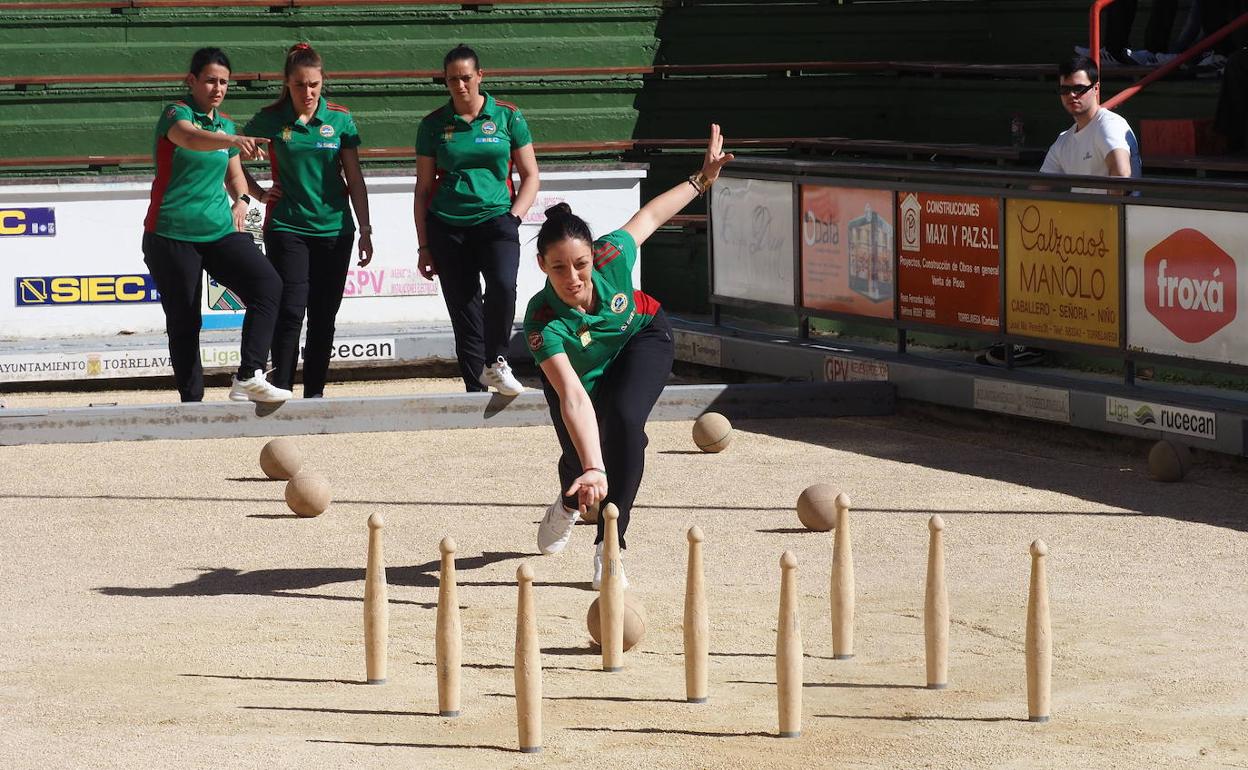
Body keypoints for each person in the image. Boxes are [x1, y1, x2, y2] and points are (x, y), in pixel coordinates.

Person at [525, 125, 734, 587]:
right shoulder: (541, 320)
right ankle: (566, 503)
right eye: (559, 268)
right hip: (578, 375)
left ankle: (610, 543)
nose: (573, 276)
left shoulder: (610, 256)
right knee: (581, 456)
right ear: (542, 265)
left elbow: (652, 215)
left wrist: (701, 179)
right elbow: (574, 398)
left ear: (592, 256)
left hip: (642, 339)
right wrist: (593, 467)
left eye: (579, 264)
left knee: (623, 425)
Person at [141, 47, 290, 404]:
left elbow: (236, 176)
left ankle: (248, 375)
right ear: (192, 81)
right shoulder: (176, 114)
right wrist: (232, 140)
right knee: (185, 321)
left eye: (224, 82)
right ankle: (192, 402)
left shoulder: (225, 125)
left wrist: (244, 199)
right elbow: (190, 138)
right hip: (170, 234)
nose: (218, 88)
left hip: (219, 230)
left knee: (268, 284)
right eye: (210, 80)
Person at [984, 56, 1141, 368]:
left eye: (1080, 88)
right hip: (1085, 240)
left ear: (1096, 89)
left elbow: (1121, 176)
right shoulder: (1064, 141)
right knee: (1027, 257)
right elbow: (1036, 192)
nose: (1072, 95)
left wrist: (1104, 223)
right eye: (1065, 90)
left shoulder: (1110, 125)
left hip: (1120, 234)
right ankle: (1029, 341)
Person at [242, 43, 373, 398]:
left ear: (322, 82)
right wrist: (256, 191)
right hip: (287, 227)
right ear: (287, 84)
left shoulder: (340, 118)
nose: (308, 92)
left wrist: (366, 229)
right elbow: (231, 152)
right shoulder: (271, 117)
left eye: (314, 84)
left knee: (323, 316)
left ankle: (314, 393)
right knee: (290, 309)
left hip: (336, 229)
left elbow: (355, 178)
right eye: (300, 85)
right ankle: (281, 387)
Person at [414, 44, 540, 396]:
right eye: (452, 79)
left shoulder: (508, 117)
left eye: (466, 77)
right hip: (447, 226)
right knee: (464, 308)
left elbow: (531, 175)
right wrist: (423, 244)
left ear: (480, 76)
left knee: (503, 286)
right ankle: (475, 390)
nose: (460, 85)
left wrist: (513, 218)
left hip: (497, 220)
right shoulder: (433, 125)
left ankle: (497, 362)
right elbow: (423, 189)